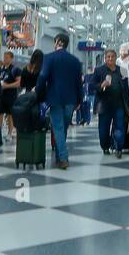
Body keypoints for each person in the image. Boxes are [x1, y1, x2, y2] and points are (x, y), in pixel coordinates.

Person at [36, 32, 84, 169]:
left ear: (57, 42)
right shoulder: (75, 61)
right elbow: (78, 83)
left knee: (58, 128)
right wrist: (79, 100)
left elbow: (42, 77)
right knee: (62, 129)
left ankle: (63, 158)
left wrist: (39, 95)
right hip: (71, 100)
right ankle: (59, 156)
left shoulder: (49, 58)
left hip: (54, 98)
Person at [90, 48, 129, 158]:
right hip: (104, 105)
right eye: (108, 57)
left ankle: (119, 148)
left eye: (112, 56)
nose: (110, 58)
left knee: (120, 128)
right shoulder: (99, 70)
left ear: (115, 58)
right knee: (103, 129)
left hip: (119, 105)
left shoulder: (122, 70)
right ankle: (105, 147)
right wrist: (100, 85)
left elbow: (126, 89)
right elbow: (91, 85)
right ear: (105, 58)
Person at [0, 50, 22, 141]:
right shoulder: (1, 69)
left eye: (7, 57)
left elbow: (19, 83)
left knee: (9, 114)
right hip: (1, 95)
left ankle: (10, 133)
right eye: (4, 57)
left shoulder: (15, 69)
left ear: (11, 59)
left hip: (11, 96)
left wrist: (7, 86)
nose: (5, 59)